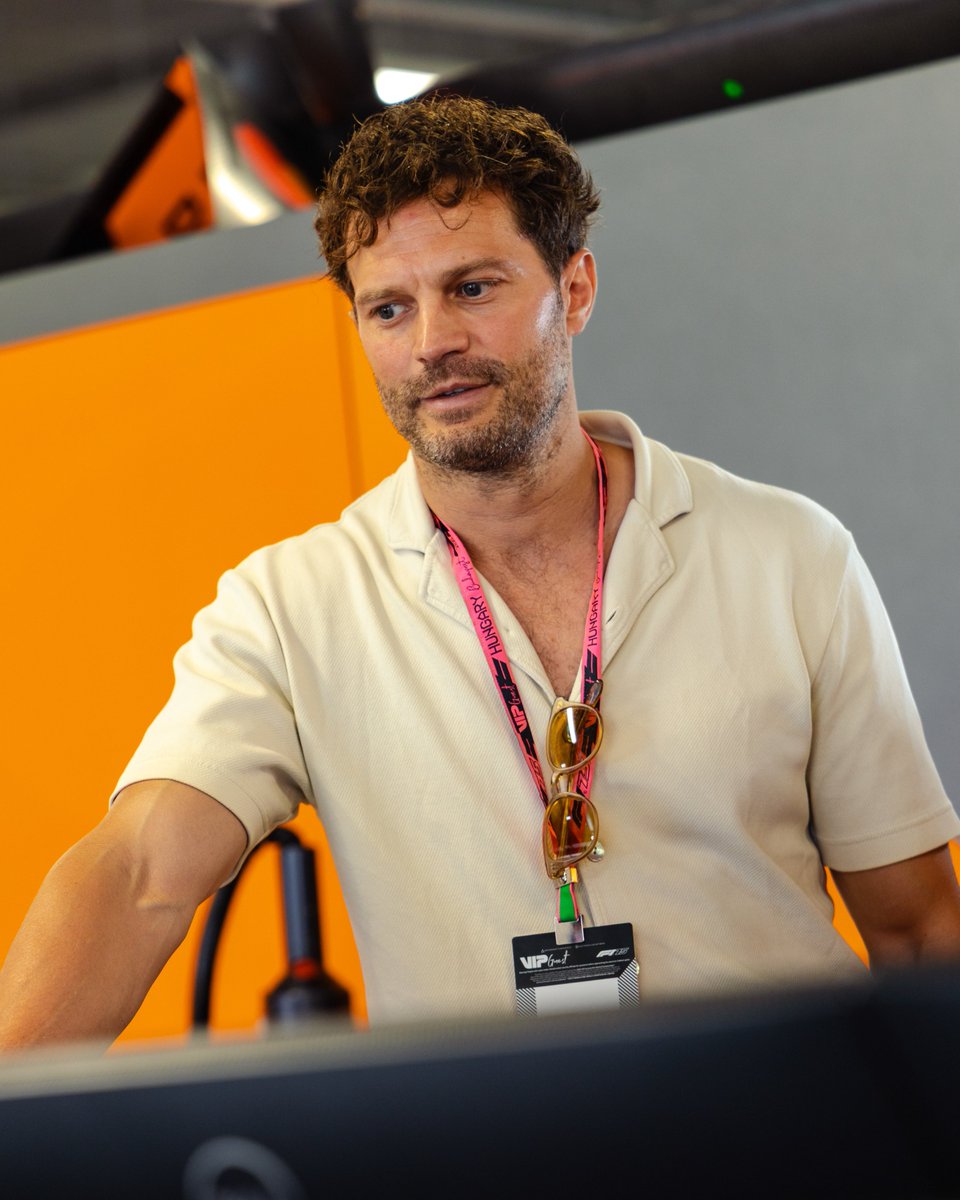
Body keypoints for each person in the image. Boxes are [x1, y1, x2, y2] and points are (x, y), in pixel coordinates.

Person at [1, 97, 959, 1049]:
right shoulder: (291, 610)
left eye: (472, 288)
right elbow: (140, 874)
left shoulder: (788, 555)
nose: (431, 344)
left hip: (792, 1152)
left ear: (574, 289)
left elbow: (920, 930)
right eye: (389, 307)